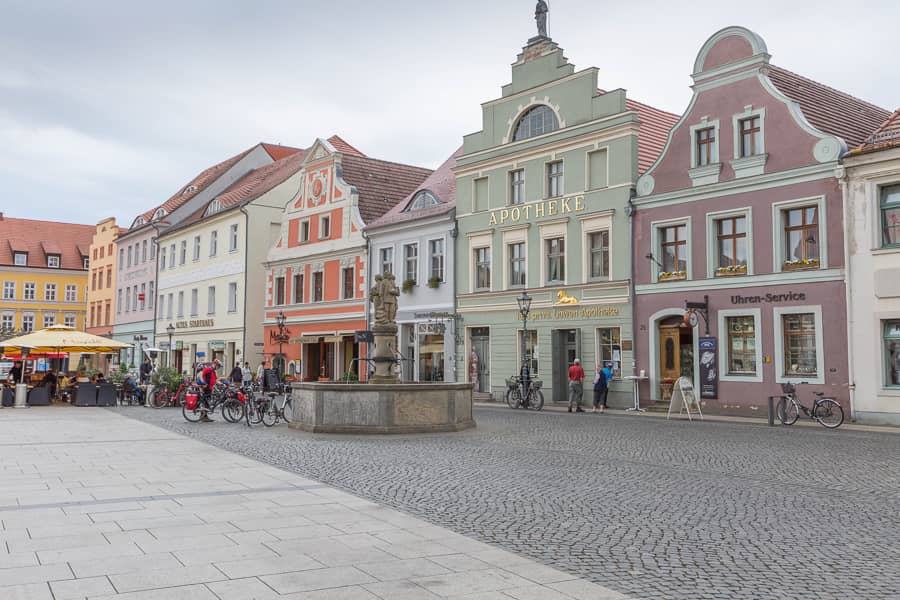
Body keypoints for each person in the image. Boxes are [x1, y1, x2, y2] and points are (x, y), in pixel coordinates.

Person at [197, 359, 220, 423]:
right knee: (205, 402)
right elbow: (201, 374)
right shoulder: (208, 369)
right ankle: (203, 417)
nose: (218, 368)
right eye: (218, 366)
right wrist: (203, 383)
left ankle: (205, 417)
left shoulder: (213, 371)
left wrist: (222, 384)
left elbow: (215, 380)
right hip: (206, 388)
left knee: (206, 403)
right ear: (215, 364)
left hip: (209, 389)